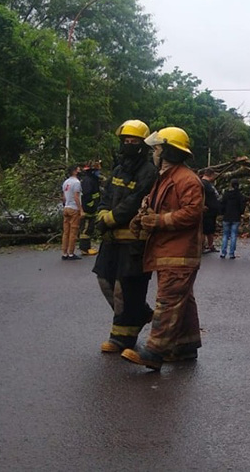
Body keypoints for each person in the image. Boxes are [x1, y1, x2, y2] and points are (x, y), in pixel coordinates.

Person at [123, 126, 204, 371]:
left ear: (168, 151)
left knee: (168, 301)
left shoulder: (187, 180)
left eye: (157, 148)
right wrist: (141, 218)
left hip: (180, 254)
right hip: (169, 251)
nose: (154, 153)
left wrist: (159, 221)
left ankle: (154, 351)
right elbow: (153, 206)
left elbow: (192, 213)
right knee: (181, 299)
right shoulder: (165, 177)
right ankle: (185, 346)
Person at [91, 120, 158, 353]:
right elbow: (107, 195)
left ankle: (122, 337)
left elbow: (135, 200)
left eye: (134, 141)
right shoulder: (119, 170)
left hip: (133, 242)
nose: (129, 145)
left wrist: (110, 219)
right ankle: (140, 313)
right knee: (105, 280)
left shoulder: (149, 172)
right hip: (111, 240)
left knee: (126, 288)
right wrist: (101, 213)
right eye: (126, 141)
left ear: (143, 145)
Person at [77, 160, 102, 256]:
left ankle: (87, 247)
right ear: (92, 171)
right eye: (97, 170)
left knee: (90, 228)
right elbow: (87, 195)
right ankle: (85, 248)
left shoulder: (93, 180)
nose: (98, 172)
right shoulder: (88, 180)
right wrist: (91, 205)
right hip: (88, 208)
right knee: (86, 229)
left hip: (92, 207)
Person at [218, 179, 247, 259]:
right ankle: (231, 253)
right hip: (236, 217)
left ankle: (223, 252)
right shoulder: (240, 195)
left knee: (225, 235)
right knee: (233, 235)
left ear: (231, 185)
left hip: (227, 216)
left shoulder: (226, 194)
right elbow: (242, 206)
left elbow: (222, 204)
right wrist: (240, 213)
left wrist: (222, 212)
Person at [60, 164, 84, 260]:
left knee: (66, 232)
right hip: (74, 208)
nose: (79, 171)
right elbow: (76, 197)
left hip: (66, 207)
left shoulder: (66, 182)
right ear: (74, 171)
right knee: (73, 232)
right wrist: (81, 209)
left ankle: (64, 253)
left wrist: (65, 205)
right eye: (78, 169)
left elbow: (64, 197)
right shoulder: (76, 182)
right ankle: (71, 253)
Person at [199, 169, 221, 253]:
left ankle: (211, 245)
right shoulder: (202, 184)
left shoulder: (209, 184)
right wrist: (201, 205)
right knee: (204, 230)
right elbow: (198, 195)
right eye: (214, 175)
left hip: (212, 211)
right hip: (206, 212)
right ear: (210, 175)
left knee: (210, 229)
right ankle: (202, 247)